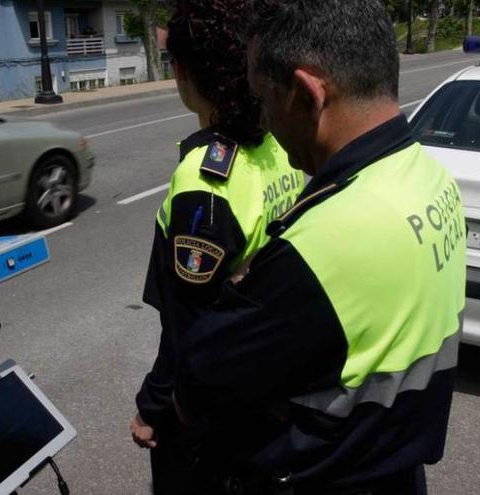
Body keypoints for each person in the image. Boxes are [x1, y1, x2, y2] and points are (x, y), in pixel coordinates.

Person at [171, 1, 467, 493]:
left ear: (308, 95)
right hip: (395, 469)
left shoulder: (330, 238)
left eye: (264, 100)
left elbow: (197, 389)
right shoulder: (428, 176)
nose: (264, 121)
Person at [130, 1, 304, 493]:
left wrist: (153, 407)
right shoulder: (273, 146)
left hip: (211, 415)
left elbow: (191, 329)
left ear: (185, 72)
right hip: (268, 381)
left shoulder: (205, 182)